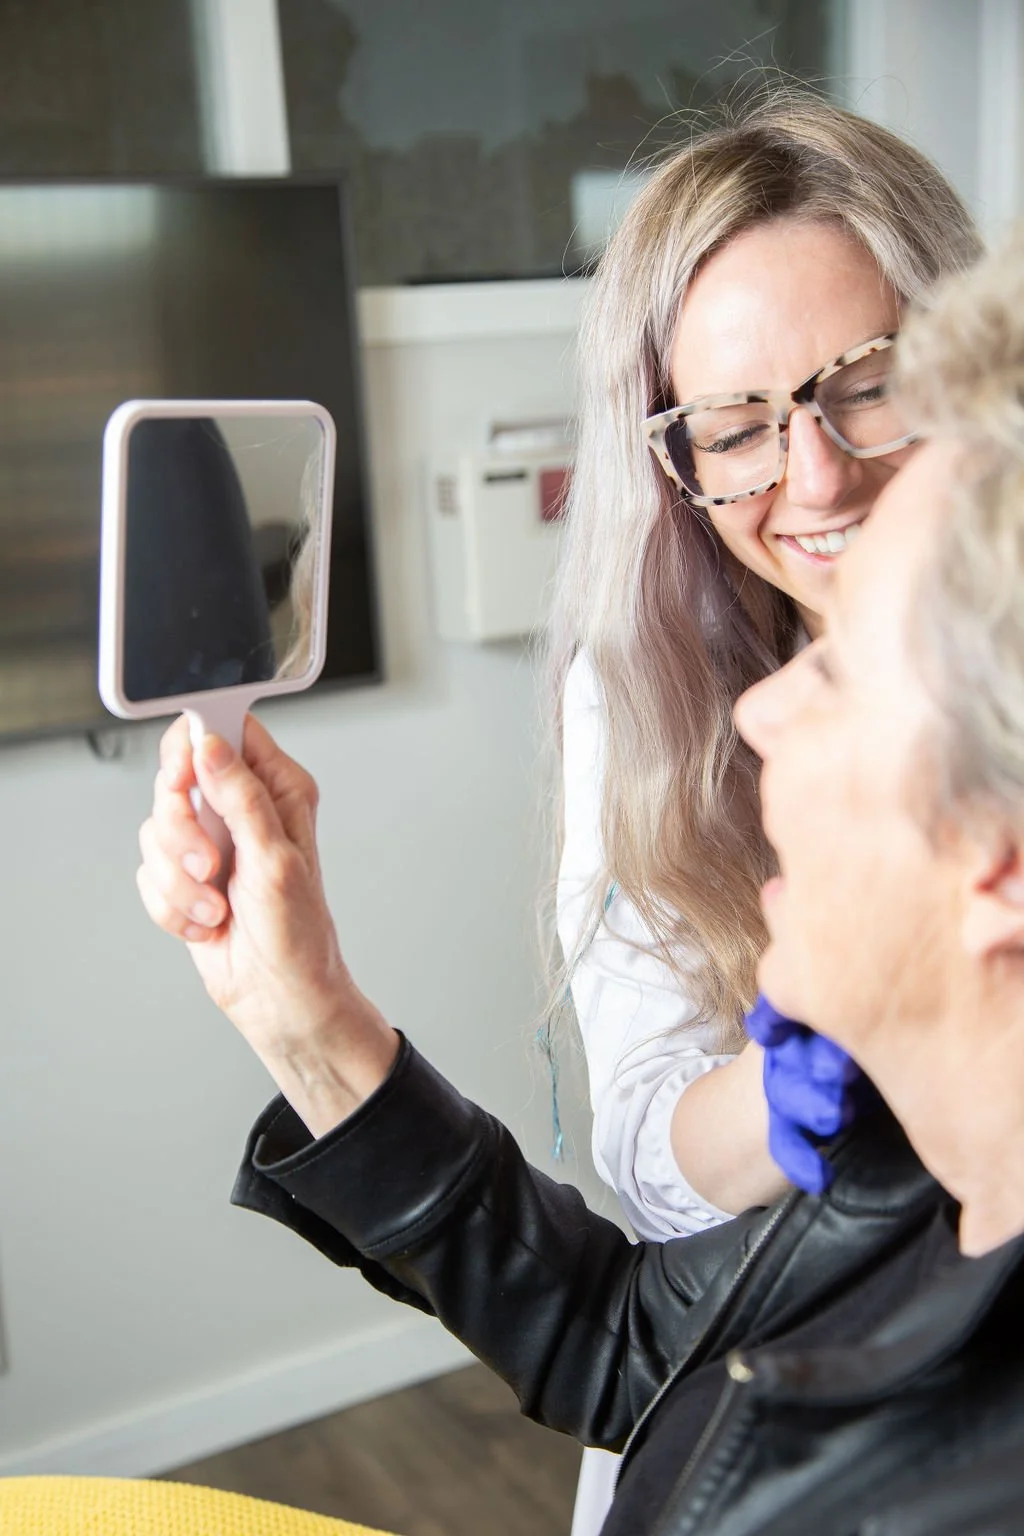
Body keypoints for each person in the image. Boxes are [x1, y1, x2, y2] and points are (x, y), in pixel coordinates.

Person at [137, 229, 1024, 1533]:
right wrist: (302, 1010)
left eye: (844, 676)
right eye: (737, 429)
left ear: (997, 870)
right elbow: (624, 1339)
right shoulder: (922, 1181)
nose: (767, 707)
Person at [548, 91, 980, 1529]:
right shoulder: (646, 695)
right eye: (734, 427)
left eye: (869, 380)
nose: (817, 476)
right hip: (749, 1390)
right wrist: (819, 1065)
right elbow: (639, 1171)